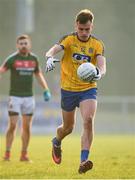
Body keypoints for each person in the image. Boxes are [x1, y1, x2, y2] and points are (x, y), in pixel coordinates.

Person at [45, 9, 106, 173]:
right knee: (68, 128)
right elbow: (53, 49)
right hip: (68, 90)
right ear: (76, 26)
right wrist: (50, 57)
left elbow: (102, 65)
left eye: (87, 29)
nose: (84, 32)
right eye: (81, 29)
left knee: (88, 120)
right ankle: (57, 141)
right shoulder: (69, 39)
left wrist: (99, 73)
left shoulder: (97, 44)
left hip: (88, 88)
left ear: (92, 26)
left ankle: (83, 161)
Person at [0, 34, 51, 162]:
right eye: (21, 43)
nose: (23, 45)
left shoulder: (34, 59)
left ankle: (24, 154)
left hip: (29, 98)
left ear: (29, 45)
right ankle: (7, 153)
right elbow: (1, 70)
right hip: (15, 97)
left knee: (27, 127)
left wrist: (46, 89)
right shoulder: (12, 59)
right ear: (17, 45)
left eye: (25, 43)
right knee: (12, 125)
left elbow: (39, 75)